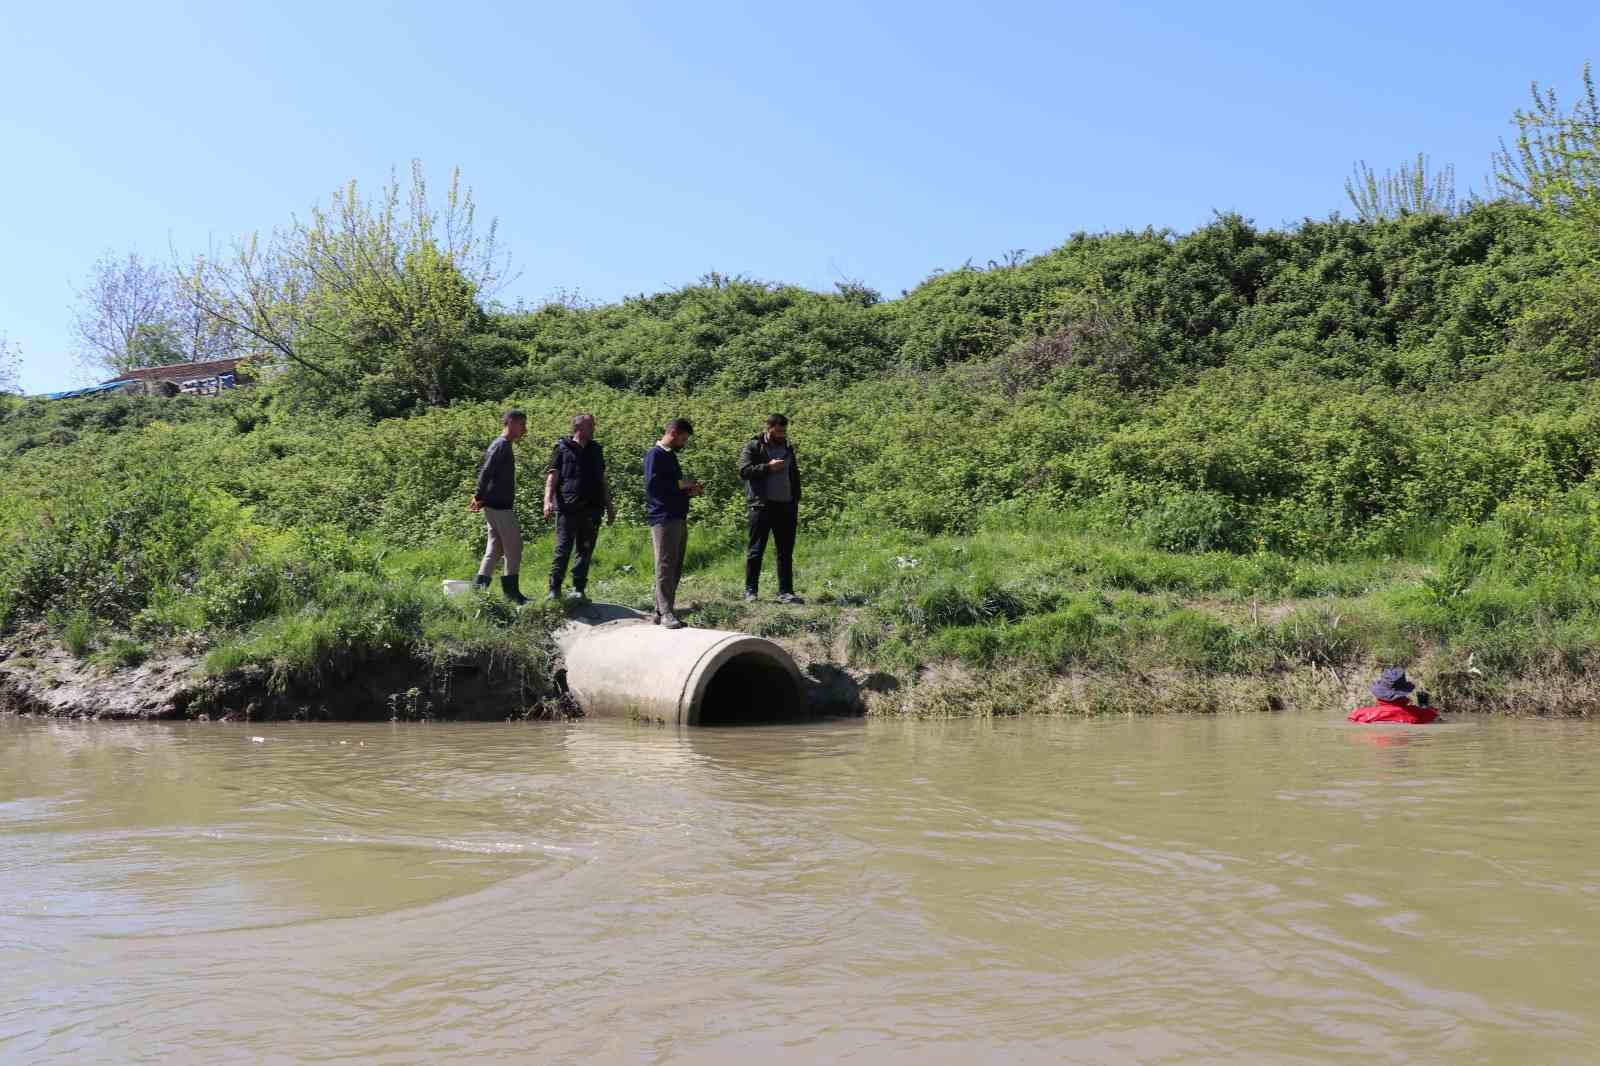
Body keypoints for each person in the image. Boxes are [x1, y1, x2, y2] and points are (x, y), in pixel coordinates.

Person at [544, 412, 615, 602]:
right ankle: (554, 589)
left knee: (585, 549)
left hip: (592, 507)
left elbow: (602, 479)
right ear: (578, 428)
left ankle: (579, 588)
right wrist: (547, 501)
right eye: (590, 425)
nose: (594, 429)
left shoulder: (596, 449)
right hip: (567, 507)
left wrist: (609, 505)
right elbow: (552, 477)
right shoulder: (561, 448)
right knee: (562, 549)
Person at [643, 418, 704, 629]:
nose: (684, 444)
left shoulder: (670, 456)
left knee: (675, 564)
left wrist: (688, 490)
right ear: (674, 432)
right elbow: (653, 486)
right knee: (666, 565)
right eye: (683, 439)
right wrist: (681, 486)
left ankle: (662, 611)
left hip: (678, 516)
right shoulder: (655, 454)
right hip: (664, 517)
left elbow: (672, 485)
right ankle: (667, 612)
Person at [738, 413, 804, 603]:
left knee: (785, 551)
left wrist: (795, 500)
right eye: (778, 431)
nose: (782, 434)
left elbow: (794, 474)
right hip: (761, 506)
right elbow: (744, 471)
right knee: (756, 550)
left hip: (786, 506)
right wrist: (768, 467)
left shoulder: (788, 447)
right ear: (769, 428)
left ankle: (786, 591)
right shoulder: (754, 446)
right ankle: (751, 591)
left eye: (784, 431)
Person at [470, 409, 529, 604]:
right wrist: (478, 496)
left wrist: (480, 497)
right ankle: (512, 595)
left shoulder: (503, 445)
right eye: (522, 424)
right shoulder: (502, 445)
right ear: (510, 422)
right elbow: (487, 471)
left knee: (495, 548)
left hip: (493, 505)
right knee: (514, 547)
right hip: (500, 506)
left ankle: (478, 591)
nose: (524, 429)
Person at [1349, 667, 1440, 724]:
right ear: (1404, 693)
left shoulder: (1359, 714)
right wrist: (1424, 706)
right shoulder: (1417, 714)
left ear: (1379, 692)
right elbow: (1436, 718)